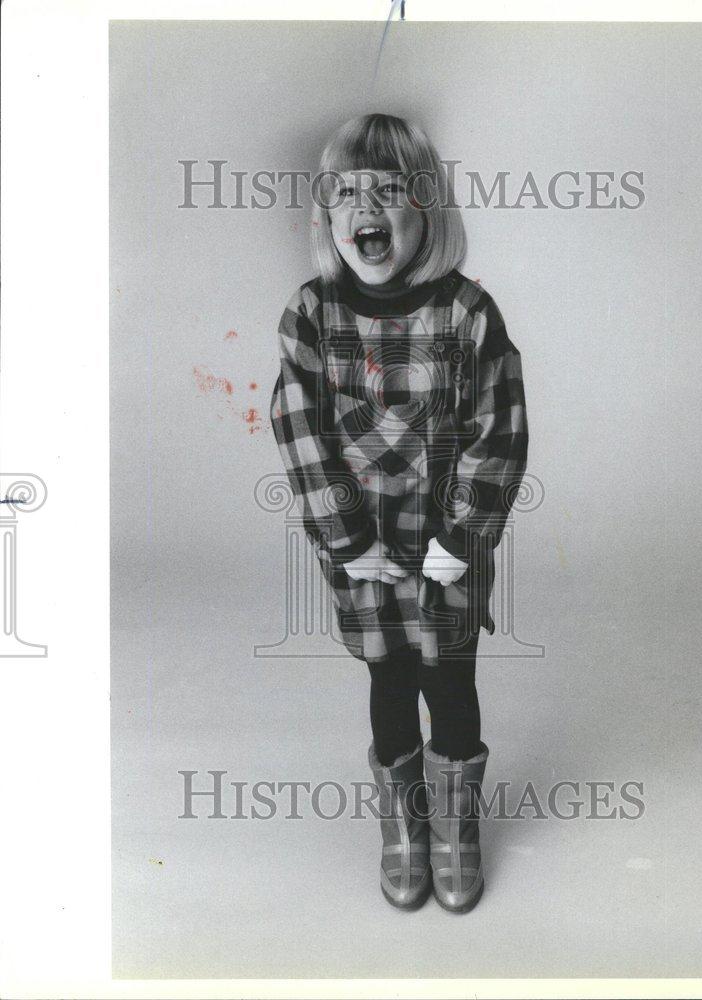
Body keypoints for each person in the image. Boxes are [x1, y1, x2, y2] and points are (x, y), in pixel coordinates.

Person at [270, 113, 528, 913]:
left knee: (450, 681)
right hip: (365, 552)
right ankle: (404, 828)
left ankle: (456, 827)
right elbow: (298, 427)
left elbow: (502, 428)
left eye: (386, 191)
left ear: (427, 210)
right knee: (388, 680)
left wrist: (458, 539)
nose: (363, 208)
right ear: (327, 218)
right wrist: (346, 542)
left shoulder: (467, 313)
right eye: (344, 193)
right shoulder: (312, 314)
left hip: (445, 547)